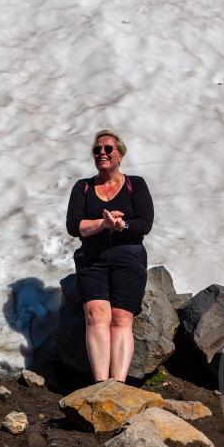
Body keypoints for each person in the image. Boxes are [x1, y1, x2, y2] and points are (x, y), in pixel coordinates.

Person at [65, 130, 154, 382]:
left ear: (120, 154)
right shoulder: (83, 187)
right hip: (92, 258)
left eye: (108, 149)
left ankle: (118, 384)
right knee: (96, 314)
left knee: (122, 318)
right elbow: (74, 226)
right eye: (97, 150)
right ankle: (101, 384)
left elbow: (145, 223)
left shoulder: (135, 184)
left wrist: (121, 225)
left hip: (128, 256)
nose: (102, 153)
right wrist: (103, 224)